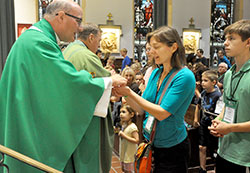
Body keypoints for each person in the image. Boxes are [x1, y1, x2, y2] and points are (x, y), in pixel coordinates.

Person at [0, 1, 127, 172]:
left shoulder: (37, 38)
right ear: (61, 16)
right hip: (28, 123)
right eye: (78, 21)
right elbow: (66, 82)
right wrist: (108, 82)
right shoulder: (38, 42)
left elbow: (51, 84)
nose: (80, 28)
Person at [114, 26, 196, 172]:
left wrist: (131, 94)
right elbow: (140, 109)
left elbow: (162, 113)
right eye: (150, 47)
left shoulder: (184, 76)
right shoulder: (156, 73)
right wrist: (124, 93)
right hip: (152, 141)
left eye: (156, 47)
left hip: (173, 146)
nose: (151, 51)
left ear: (173, 47)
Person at [62, 23, 113, 172]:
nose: (99, 45)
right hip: (87, 118)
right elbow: (106, 82)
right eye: (99, 40)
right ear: (91, 37)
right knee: (89, 159)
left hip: (70, 115)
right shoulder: (86, 55)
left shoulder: (69, 50)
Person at [209, 19, 250, 173]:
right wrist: (219, 120)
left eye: (231, 38)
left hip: (245, 155)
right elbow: (228, 105)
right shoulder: (228, 74)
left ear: (248, 42)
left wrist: (230, 127)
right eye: (225, 38)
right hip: (225, 149)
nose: (225, 43)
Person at [193, 70, 221, 173]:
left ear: (213, 82)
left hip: (214, 125)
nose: (202, 83)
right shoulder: (204, 93)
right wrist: (196, 119)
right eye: (202, 80)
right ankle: (202, 168)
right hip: (203, 123)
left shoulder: (218, 95)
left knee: (214, 149)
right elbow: (198, 105)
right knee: (201, 146)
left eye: (205, 80)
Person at [116, 104, 139, 173]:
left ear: (131, 114)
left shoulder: (133, 127)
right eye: (120, 112)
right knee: (124, 170)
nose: (121, 114)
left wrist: (124, 135)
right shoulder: (125, 125)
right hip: (125, 153)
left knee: (129, 171)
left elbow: (136, 140)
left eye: (123, 112)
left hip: (130, 155)